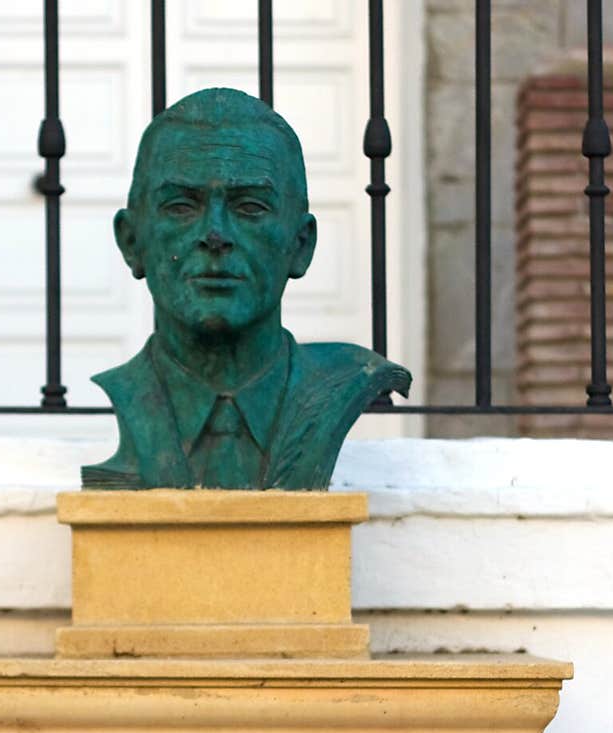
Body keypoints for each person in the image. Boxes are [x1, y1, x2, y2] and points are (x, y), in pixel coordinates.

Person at [82, 87, 410, 491]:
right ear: (132, 243)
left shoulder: (345, 382)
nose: (215, 235)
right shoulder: (130, 396)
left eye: (250, 207)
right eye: (182, 206)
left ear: (301, 246)